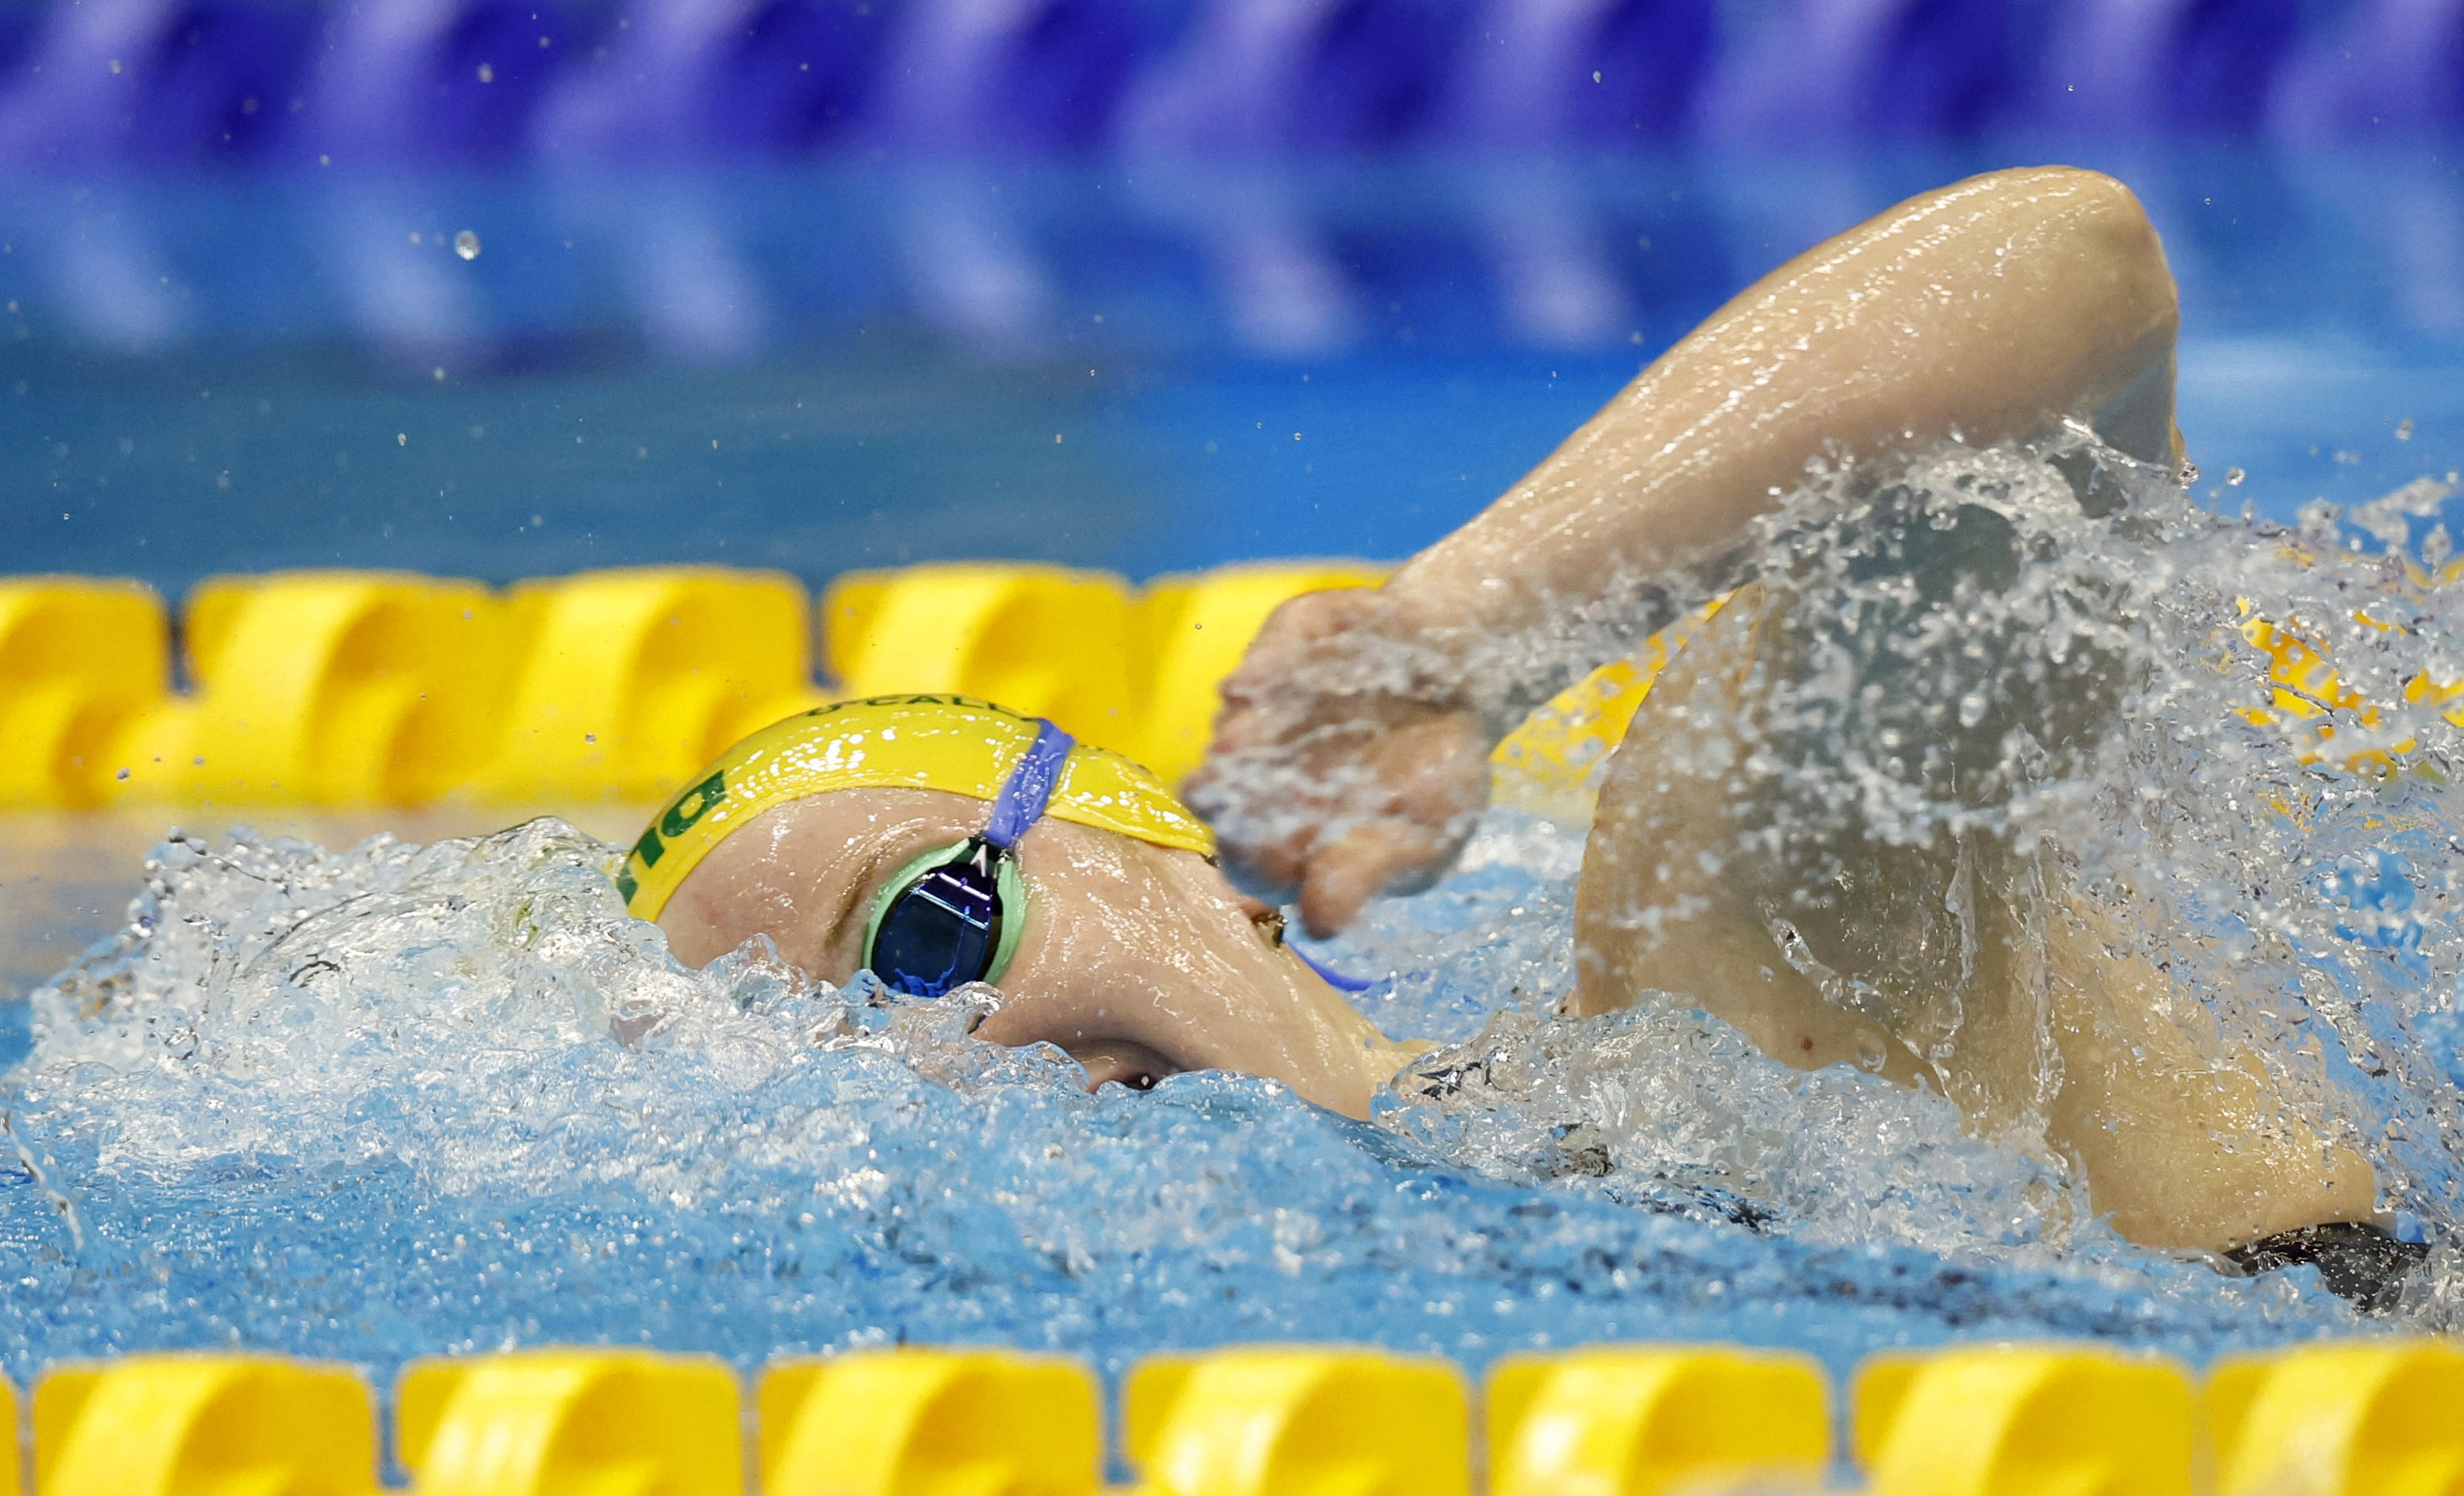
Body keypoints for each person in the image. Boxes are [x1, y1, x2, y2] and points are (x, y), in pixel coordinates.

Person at [631, 167, 2419, 1305]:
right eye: (816, 1059)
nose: (938, 1066)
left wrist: (1471, 633)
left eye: (928, 933)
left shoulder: (1721, 956)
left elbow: (2070, 267)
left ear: (1169, 857)